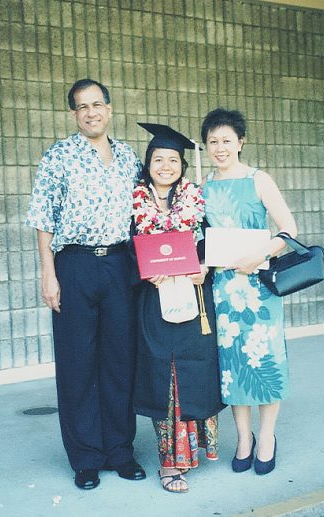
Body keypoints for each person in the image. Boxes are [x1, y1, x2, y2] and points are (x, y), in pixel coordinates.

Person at [25, 78, 146, 490]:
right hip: (74, 265)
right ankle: (86, 457)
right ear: (74, 114)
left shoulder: (129, 158)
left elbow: (147, 212)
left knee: (119, 361)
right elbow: (43, 216)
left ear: (109, 109)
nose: (91, 112)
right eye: (82, 106)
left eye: (97, 104)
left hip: (118, 266)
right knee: (78, 364)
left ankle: (120, 451)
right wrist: (48, 273)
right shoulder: (59, 155)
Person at [200, 108, 298, 475]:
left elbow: (289, 228)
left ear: (240, 142)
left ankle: (268, 436)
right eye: (213, 142)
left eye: (227, 140)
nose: (220, 148)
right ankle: (244, 438)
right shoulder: (203, 187)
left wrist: (260, 253)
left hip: (259, 287)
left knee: (265, 361)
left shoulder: (259, 180)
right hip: (224, 289)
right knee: (233, 366)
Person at [130, 123, 225, 494]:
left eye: (173, 159)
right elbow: (125, 250)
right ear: (148, 164)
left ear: (183, 166)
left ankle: (195, 452)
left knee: (194, 371)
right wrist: (143, 274)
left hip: (195, 298)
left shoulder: (198, 201)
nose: (166, 165)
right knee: (163, 376)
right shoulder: (133, 202)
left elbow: (217, 242)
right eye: (158, 159)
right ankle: (169, 463)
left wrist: (207, 268)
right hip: (153, 301)